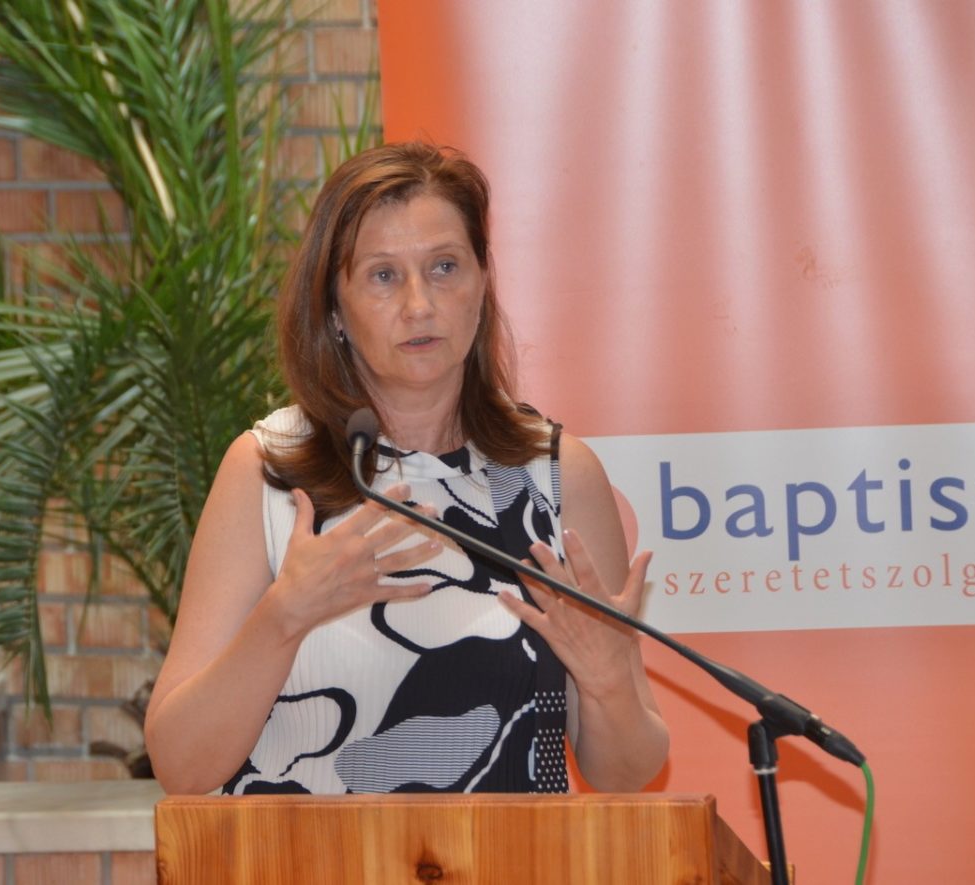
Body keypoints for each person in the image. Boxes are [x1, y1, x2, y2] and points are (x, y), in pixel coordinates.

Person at [144, 142, 669, 795]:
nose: (419, 304)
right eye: (384, 276)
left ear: (482, 284)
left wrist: (607, 679)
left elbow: (625, 772)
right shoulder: (270, 470)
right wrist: (284, 616)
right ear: (335, 310)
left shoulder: (555, 474)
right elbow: (180, 766)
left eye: (444, 266)